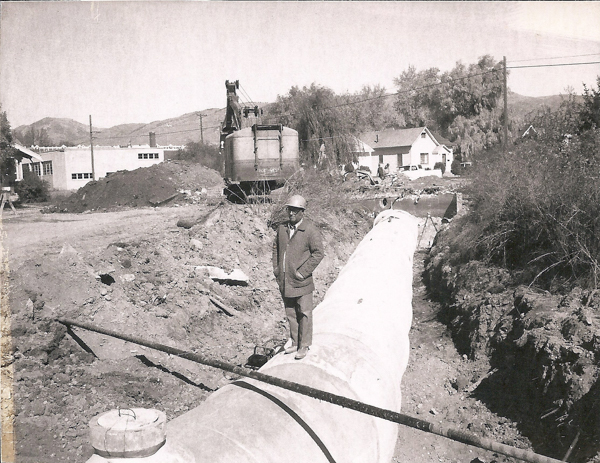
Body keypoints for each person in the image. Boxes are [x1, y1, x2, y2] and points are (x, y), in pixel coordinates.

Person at [272, 195, 324, 360]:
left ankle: (304, 345)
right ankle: (294, 343)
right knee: (291, 313)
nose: (291, 213)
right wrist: (277, 269)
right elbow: (275, 248)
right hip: (286, 281)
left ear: (302, 212)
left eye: (295, 210)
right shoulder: (282, 229)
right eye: (289, 209)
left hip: (302, 281)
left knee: (305, 313)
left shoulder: (310, 230)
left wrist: (303, 272)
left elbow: (318, 253)